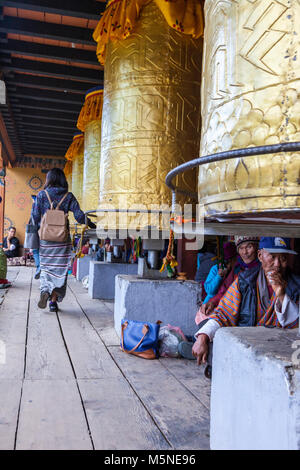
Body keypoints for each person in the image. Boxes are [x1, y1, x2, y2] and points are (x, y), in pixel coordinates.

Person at [192, 237, 300, 375]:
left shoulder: (297, 285)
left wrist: (281, 294)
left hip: (283, 351)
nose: (277, 264)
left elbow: (295, 325)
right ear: (260, 256)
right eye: (272, 257)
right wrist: (202, 337)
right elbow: (224, 313)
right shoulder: (244, 281)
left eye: (283, 258)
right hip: (248, 347)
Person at [31, 168, 96, 312]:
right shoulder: (68, 196)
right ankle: (53, 302)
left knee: (46, 269)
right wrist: (91, 224)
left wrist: (34, 238)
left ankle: (45, 290)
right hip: (62, 240)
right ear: (62, 179)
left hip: (46, 241)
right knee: (60, 271)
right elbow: (79, 216)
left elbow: (34, 217)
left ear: (49, 179)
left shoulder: (41, 195)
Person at [199, 236, 260, 319]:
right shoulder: (237, 269)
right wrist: (212, 302)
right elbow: (225, 291)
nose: (245, 252)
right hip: (237, 315)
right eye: (241, 248)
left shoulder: (263, 269)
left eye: (249, 247)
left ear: (257, 248)